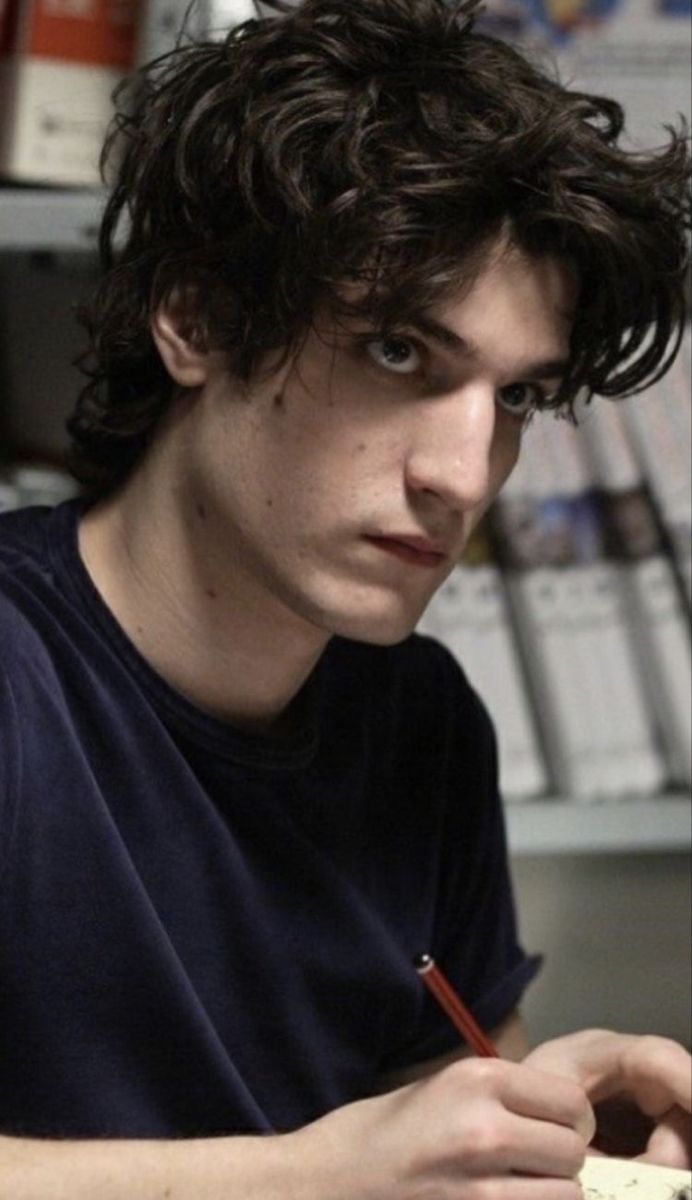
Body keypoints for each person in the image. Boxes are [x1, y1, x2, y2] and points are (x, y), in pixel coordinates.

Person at [0, 0, 690, 1196]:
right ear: (198, 317)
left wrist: (547, 1145)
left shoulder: (419, 720)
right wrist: (309, 1177)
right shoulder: (18, 684)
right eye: (396, 354)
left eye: (514, 398)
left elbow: (427, 1120)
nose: (464, 475)